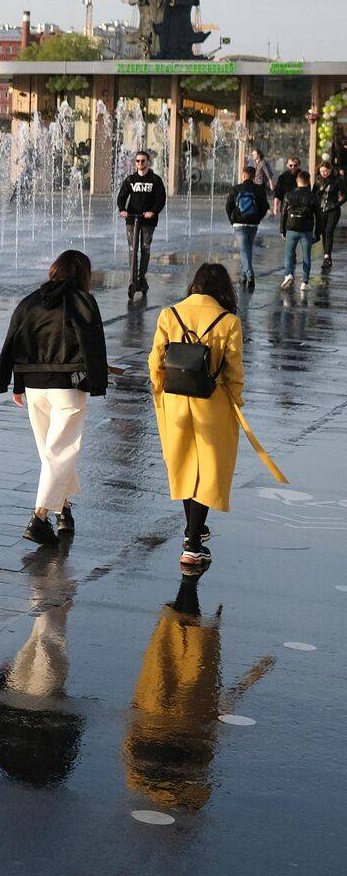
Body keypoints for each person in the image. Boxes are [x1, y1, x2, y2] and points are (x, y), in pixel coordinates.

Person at [0, 249, 109, 547]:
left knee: (52, 452)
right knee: (60, 452)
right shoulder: (82, 301)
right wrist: (96, 382)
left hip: (35, 386)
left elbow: (14, 341)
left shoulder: (31, 301)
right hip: (67, 385)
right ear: (82, 274)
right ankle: (39, 517)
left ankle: (64, 510)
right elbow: (93, 344)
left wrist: (14, 382)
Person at [148, 263, 245, 569]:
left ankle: (194, 530)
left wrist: (160, 392)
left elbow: (155, 362)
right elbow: (234, 371)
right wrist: (237, 402)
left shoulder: (169, 314)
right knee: (206, 470)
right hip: (212, 402)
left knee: (183, 465)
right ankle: (192, 542)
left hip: (175, 400)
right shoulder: (229, 321)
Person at [115, 151, 166, 296]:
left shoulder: (155, 180)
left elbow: (161, 199)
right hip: (132, 219)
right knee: (132, 249)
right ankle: (132, 279)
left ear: (148, 162)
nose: (140, 164)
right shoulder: (130, 179)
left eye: (143, 161)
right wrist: (122, 209)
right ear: (135, 163)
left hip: (148, 221)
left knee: (145, 249)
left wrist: (153, 211)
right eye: (137, 161)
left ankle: (141, 278)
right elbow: (121, 197)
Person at [223, 165, 269, 288]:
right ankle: (243, 277)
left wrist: (232, 220)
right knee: (247, 249)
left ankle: (249, 274)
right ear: (253, 176)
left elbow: (228, 207)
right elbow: (265, 207)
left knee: (244, 250)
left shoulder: (236, 189)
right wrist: (258, 218)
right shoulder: (259, 189)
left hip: (239, 224)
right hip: (253, 224)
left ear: (243, 175)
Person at [279, 169, 319, 292]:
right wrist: (317, 232)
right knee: (307, 257)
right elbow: (318, 216)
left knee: (289, 254)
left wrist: (282, 229)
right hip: (306, 230)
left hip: (291, 228)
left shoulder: (289, 195)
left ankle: (288, 274)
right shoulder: (313, 196)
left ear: (297, 181)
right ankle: (305, 282)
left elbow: (283, 213)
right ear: (308, 182)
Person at [316, 161, 343, 273]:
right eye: (322, 171)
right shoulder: (318, 181)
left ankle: (327, 257)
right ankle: (326, 256)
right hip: (321, 210)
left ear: (331, 170)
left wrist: (336, 204)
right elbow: (313, 195)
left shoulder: (337, 180)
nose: (324, 173)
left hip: (333, 210)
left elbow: (345, 195)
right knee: (324, 233)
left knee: (329, 231)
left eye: (326, 171)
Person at [272, 155, 302, 233]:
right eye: (290, 165)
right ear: (287, 165)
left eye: (295, 165)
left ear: (299, 165)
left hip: (299, 205)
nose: (293, 167)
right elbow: (277, 194)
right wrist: (275, 207)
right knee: (286, 227)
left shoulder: (302, 176)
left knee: (298, 226)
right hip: (286, 205)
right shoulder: (282, 177)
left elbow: (307, 192)